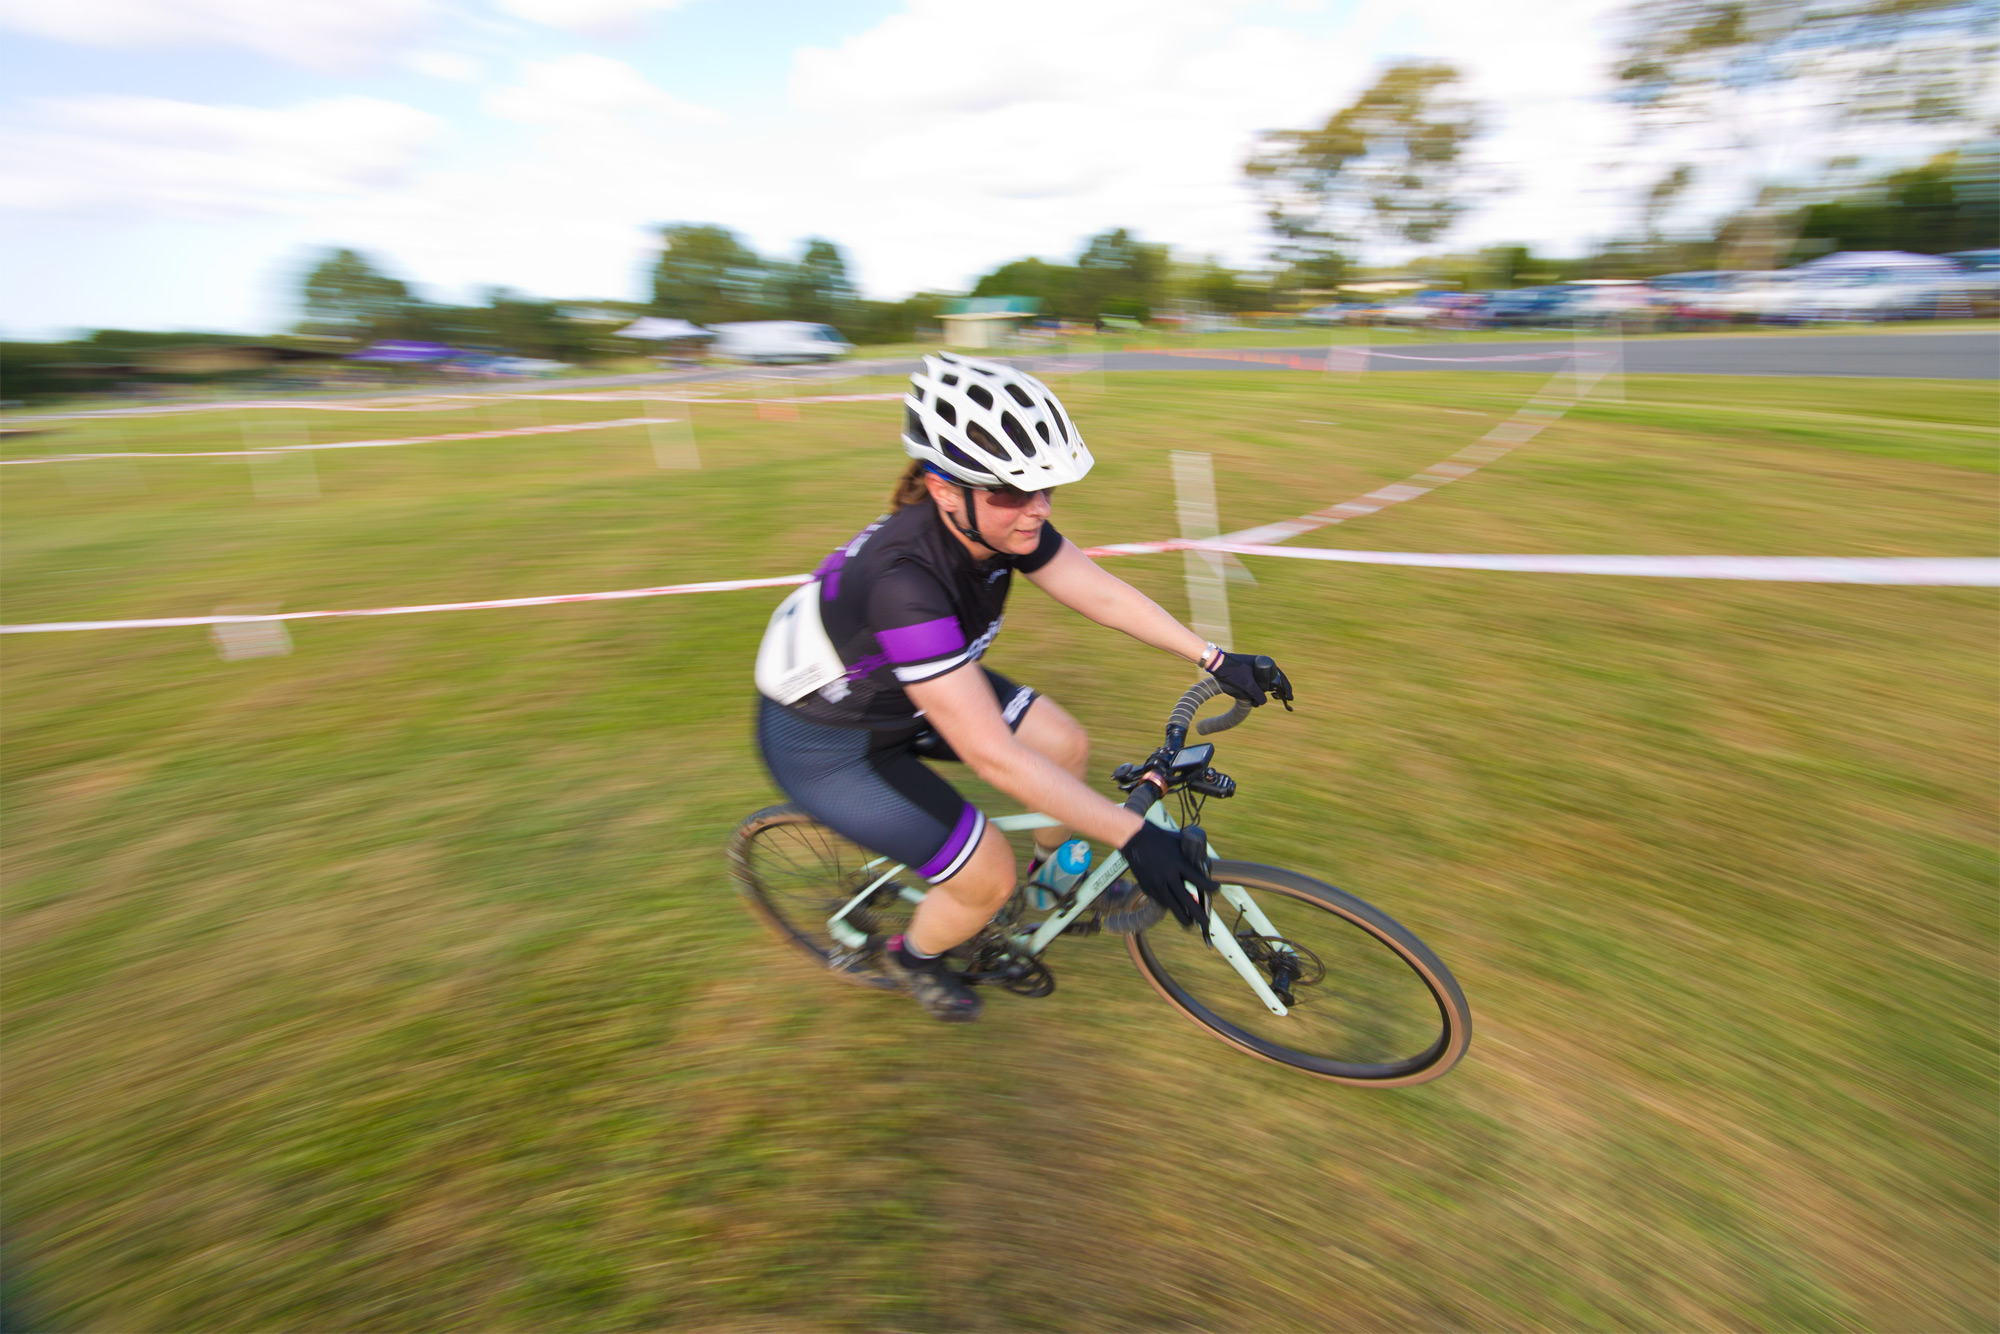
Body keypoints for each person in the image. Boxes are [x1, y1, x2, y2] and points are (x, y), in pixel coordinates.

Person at [753, 351, 1291, 1022]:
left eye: (1045, 489)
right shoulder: (905, 583)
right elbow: (992, 757)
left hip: (908, 690)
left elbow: (1100, 593)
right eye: (1011, 491)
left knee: (1063, 743)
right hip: (830, 742)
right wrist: (1132, 835)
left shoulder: (998, 525)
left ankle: (1050, 891)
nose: (1037, 510)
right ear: (944, 488)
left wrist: (1214, 658)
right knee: (985, 875)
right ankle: (913, 956)